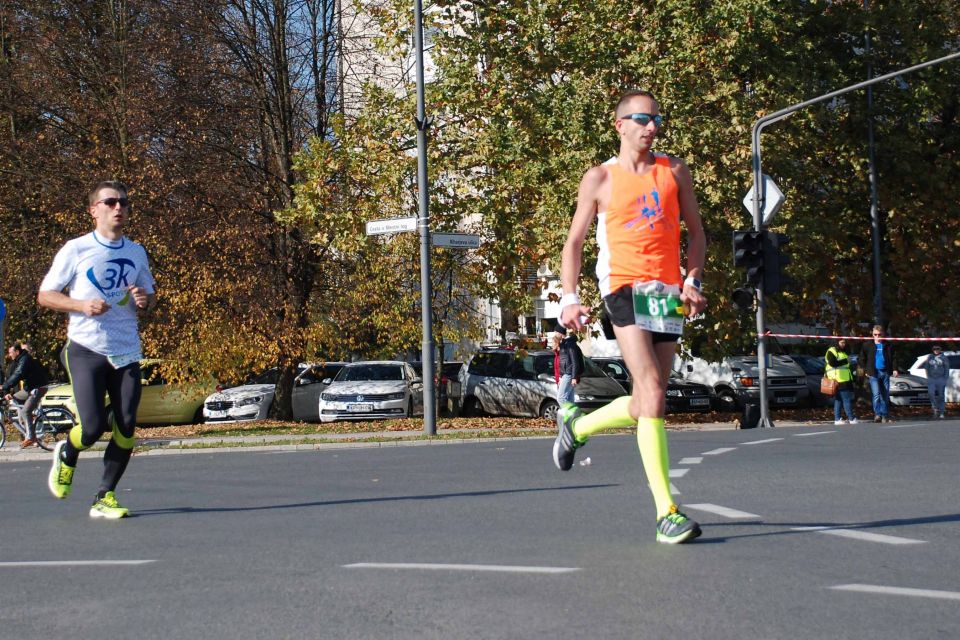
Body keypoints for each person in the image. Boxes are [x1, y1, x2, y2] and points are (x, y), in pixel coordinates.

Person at [552, 89, 708, 544]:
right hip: (622, 287)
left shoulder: (674, 171)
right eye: (641, 119)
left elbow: (697, 234)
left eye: (656, 119)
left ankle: (577, 425)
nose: (651, 127)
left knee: (647, 403)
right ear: (619, 125)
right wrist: (569, 297)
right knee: (653, 390)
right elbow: (575, 243)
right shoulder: (600, 178)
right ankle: (667, 512)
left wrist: (692, 280)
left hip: (666, 292)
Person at [38, 180, 156, 519]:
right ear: (94, 210)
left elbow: (148, 295)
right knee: (91, 429)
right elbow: (45, 295)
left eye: (124, 202)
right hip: (86, 349)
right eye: (110, 202)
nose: (119, 208)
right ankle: (68, 453)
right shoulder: (75, 249)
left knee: (127, 425)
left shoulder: (136, 252)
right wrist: (80, 305)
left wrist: (145, 300)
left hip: (127, 351)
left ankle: (105, 496)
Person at [2, 341, 50, 447]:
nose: (9, 355)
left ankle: (31, 437)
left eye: (11, 352)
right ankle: (29, 424)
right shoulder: (17, 360)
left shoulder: (25, 359)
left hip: (38, 387)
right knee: (14, 399)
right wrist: (6, 391)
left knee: (25, 411)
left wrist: (5, 387)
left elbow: (18, 374)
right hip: (29, 388)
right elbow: (11, 375)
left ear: (17, 351)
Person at [859, 325, 898, 423]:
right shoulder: (867, 345)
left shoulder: (888, 345)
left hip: (885, 372)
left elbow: (894, 358)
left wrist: (895, 369)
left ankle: (884, 414)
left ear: (883, 334)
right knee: (876, 394)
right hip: (873, 373)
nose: (877, 336)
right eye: (875, 334)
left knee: (884, 395)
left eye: (879, 334)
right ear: (872, 335)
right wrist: (866, 370)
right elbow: (861, 359)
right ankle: (877, 414)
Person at [824, 338, 857, 425]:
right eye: (842, 342)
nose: (843, 344)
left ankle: (837, 419)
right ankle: (851, 418)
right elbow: (832, 363)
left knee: (838, 400)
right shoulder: (831, 351)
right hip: (838, 379)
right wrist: (846, 360)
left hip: (843, 379)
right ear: (836, 342)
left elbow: (846, 367)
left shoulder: (842, 352)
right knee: (846, 399)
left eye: (844, 343)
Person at [917, 344, 948, 419]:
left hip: (941, 378)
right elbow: (926, 368)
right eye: (934, 349)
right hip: (932, 379)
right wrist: (928, 377)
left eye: (937, 349)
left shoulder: (944, 358)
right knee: (931, 394)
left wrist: (945, 379)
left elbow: (947, 369)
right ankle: (935, 408)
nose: (936, 350)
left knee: (941, 395)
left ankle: (941, 411)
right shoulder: (930, 357)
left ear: (940, 349)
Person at [556, 326, 584, 405]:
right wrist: (561, 377)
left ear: (560, 333)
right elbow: (563, 362)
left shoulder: (570, 344)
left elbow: (575, 361)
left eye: (556, 332)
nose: (555, 334)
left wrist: (574, 377)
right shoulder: (564, 344)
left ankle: (570, 415)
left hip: (569, 374)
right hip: (566, 374)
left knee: (561, 398)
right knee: (569, 400)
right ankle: (574, 417)